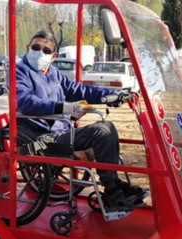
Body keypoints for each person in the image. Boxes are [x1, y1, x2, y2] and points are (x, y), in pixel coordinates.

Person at [14, 30, 147, 211]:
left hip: (61, 133)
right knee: (100, 133)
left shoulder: (53, 72)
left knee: (107, 126)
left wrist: (112, 95)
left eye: (46, 50)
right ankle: (112, 191)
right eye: (36, 48)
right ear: (28, 48)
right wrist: (64, 107)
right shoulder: (19, 71)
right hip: (38, 139)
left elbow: (80, 90)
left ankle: (114, 183)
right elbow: (25, 102)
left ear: (53, 57)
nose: (40, 52)